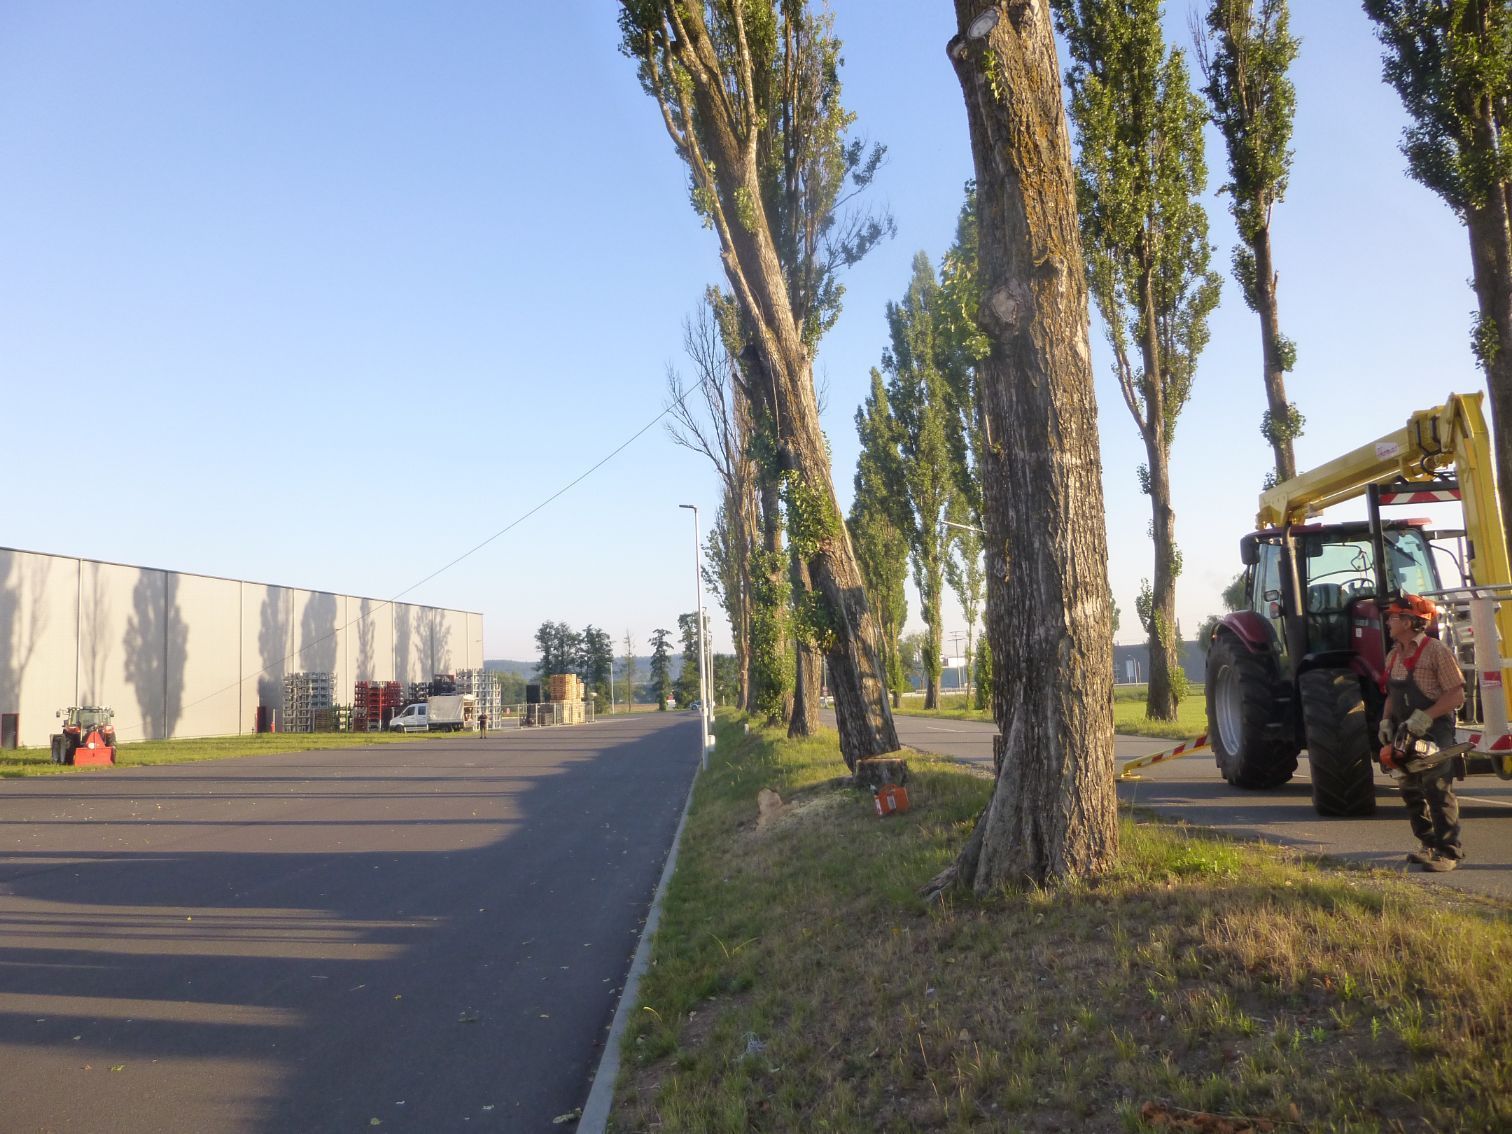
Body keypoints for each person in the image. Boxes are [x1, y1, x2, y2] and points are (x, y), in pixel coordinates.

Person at [1376, 593, 1466, 872]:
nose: (1389, 621)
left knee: (1437, 788)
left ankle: (1448, 852)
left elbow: (1456, 696)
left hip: (1433, 728)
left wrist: (1425, 717)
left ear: (1410, 621)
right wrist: (1386, 721)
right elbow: (1392, 693)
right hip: (1404, 730)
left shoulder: (1436, 651)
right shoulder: (1394, 654)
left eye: (1394, 616)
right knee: (1409, 788)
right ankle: (1428, 844)